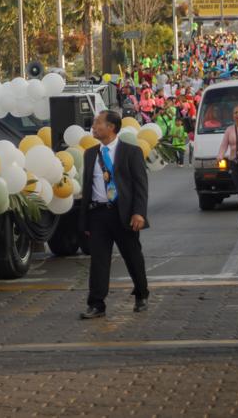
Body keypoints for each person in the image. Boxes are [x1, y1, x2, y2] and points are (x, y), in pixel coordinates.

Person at [77, 110, 150, 319]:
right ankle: (96, 303)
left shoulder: (131, 152)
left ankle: (141, 294)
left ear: (111, 127)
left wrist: (139, 213)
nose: (94, 126)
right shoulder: (90, 154)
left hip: (124, 213)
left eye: (98, 123)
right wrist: (85, 220)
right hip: (98, 214)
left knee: (132, 256)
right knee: (99, 260)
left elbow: (140, 186)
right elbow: (87, 186)